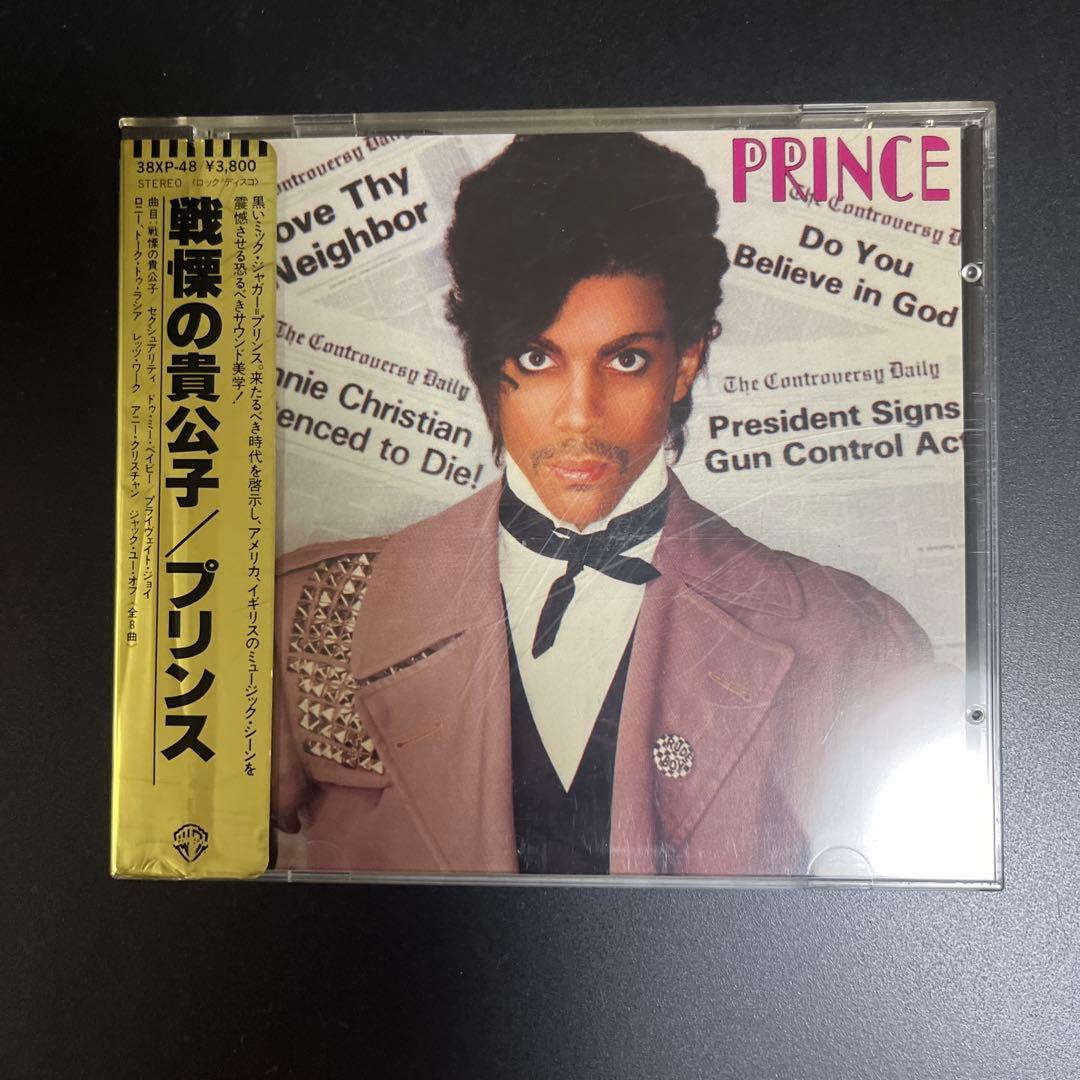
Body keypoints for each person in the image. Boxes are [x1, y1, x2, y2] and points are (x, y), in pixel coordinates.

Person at [271, 133, 942, 877]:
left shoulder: (848, 638)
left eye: (626, 360)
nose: (580, 415)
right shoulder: (313, 615)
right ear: (486, 362)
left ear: (685, 362)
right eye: (536, 358)